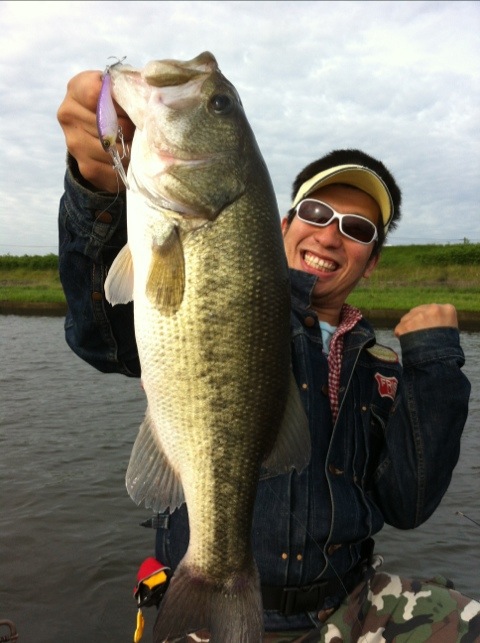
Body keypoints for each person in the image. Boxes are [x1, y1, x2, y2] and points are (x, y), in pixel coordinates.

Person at [57, 70, 480, 642]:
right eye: (317, 214)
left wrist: (434, 363)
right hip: (221, 606)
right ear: (282, 227)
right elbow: (99, 337)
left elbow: (409, 503)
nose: (329, 236)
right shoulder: (240, 305)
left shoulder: (379, 365)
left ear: (373, 260)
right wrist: (95, 186)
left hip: (352, 603)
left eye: (357, 228)